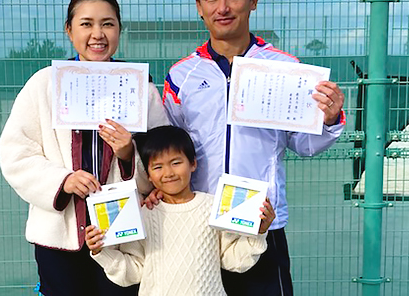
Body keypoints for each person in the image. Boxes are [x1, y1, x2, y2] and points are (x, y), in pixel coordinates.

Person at [159, 0, 346, 296]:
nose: (223, 7)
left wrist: (330, 118)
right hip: (198, 218)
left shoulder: (284, 68)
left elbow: (304, 144)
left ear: (253, 0)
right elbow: (168, 148)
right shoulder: (181, 76)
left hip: (260, 218)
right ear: (199, 6)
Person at [0, 0, 168, 296]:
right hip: (59, 237)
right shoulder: (43, 85)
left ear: (119, 28)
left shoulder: (141, 88)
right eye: (86, 24)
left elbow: (166, 156)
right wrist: (63, 180)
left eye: (107, 23)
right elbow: (15, 152)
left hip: (124, 236)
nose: (97, 34)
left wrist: (129, 153)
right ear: (69, 30)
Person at [85, 125, 276, 295]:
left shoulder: (214, 207)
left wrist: (258, 232)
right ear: (148, 175)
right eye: (157, 166)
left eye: (176, 163)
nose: (168, 173)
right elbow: (133, 272)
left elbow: (234, 260)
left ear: (193, 163)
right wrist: (101, 251)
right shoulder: (143, 215)